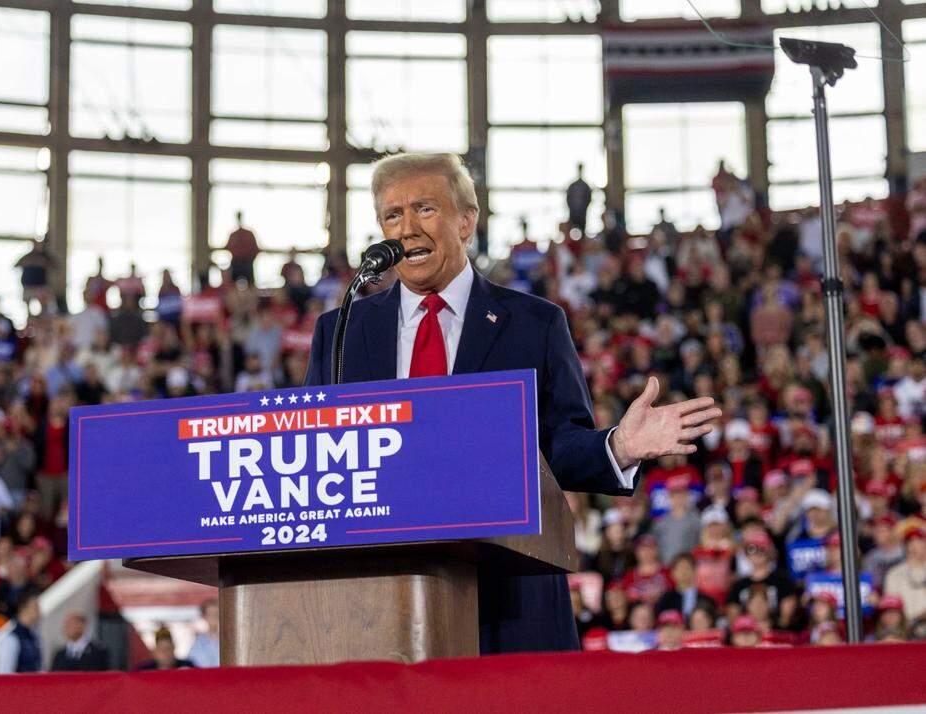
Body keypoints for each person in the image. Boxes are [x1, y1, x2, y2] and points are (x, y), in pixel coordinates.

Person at [305, 152, 721, 653]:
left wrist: (619, 447)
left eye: (424, 209)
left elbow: (558, 445)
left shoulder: (534, 323)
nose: (407, 228)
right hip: (375, 601)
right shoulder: (343, 330)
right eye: (392, 216)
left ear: (466, 220)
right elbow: (318, 454)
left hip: (506, 595)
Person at [884, 524, 926, 622]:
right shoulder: (894, 574)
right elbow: (891, 606)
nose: (923, 545)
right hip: (907, 628)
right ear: (908, 546)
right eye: (919, 541)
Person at [0, 589, 42, 674]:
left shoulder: (34, 637)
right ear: (23, 609)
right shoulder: (11, 639)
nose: (39, 611)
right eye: (35, 607)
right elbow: (4, 673)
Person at [226, 210, 260, 286]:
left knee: (251, 285)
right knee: (232, 286)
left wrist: (249, 259)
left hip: (247, 262)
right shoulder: (233, 235)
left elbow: (255, 249)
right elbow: (229, 248)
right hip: (236, 263)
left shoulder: (249, 234)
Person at [186, 598, 219, 668]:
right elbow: (193, 662)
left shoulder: (230, 640)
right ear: (204, 616)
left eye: (216, 614)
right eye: (210, 614)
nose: (214, 618)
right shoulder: (199, 642)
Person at [565, 163, 593, 238]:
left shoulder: (585, 186)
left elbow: (589, 199)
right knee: (571, 231)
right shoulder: (573, 185)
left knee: (582, 233)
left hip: (582, 214)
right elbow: (568, 198)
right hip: (573, 213)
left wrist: (584, 208)